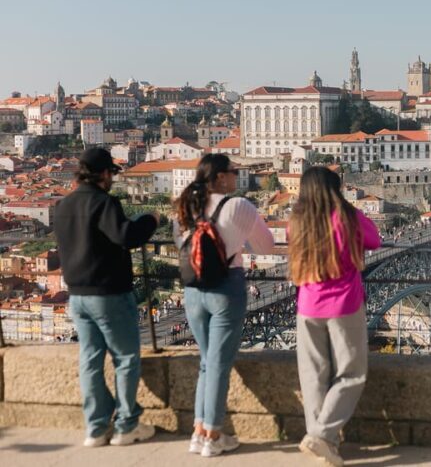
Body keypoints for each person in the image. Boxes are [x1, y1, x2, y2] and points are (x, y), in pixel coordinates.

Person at [53, 147, 159, 447]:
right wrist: (150, 220)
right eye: (111, 173)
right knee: (125, 358)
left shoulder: (62, 206)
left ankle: (96, 428)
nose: (112, 178)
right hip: (109, 292)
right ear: (103, 174)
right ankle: (126, 426)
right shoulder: (104, 202)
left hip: (76, 295)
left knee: (89, 360)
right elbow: (127, 236)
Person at [173, 154, 275, 458]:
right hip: (226, 287)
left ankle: (199, 431)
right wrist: (236, 241)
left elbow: (182, 245)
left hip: (192, 290)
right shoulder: (237, 206)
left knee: (207, 361)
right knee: (218, 363)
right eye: (233, 171)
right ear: (219, 177)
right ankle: (213, 435)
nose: (237, 176)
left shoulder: (185, 206)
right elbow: (266, 246)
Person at [288, 167, 381, 467]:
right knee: (352, 374)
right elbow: (374, 239)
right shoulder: (346, 218)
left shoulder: (296, 223)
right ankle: (323, 435)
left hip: (308, 306)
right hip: (343, 305)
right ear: (336, 190)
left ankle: (324, 441)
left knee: (313, 375)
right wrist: (348, 206)